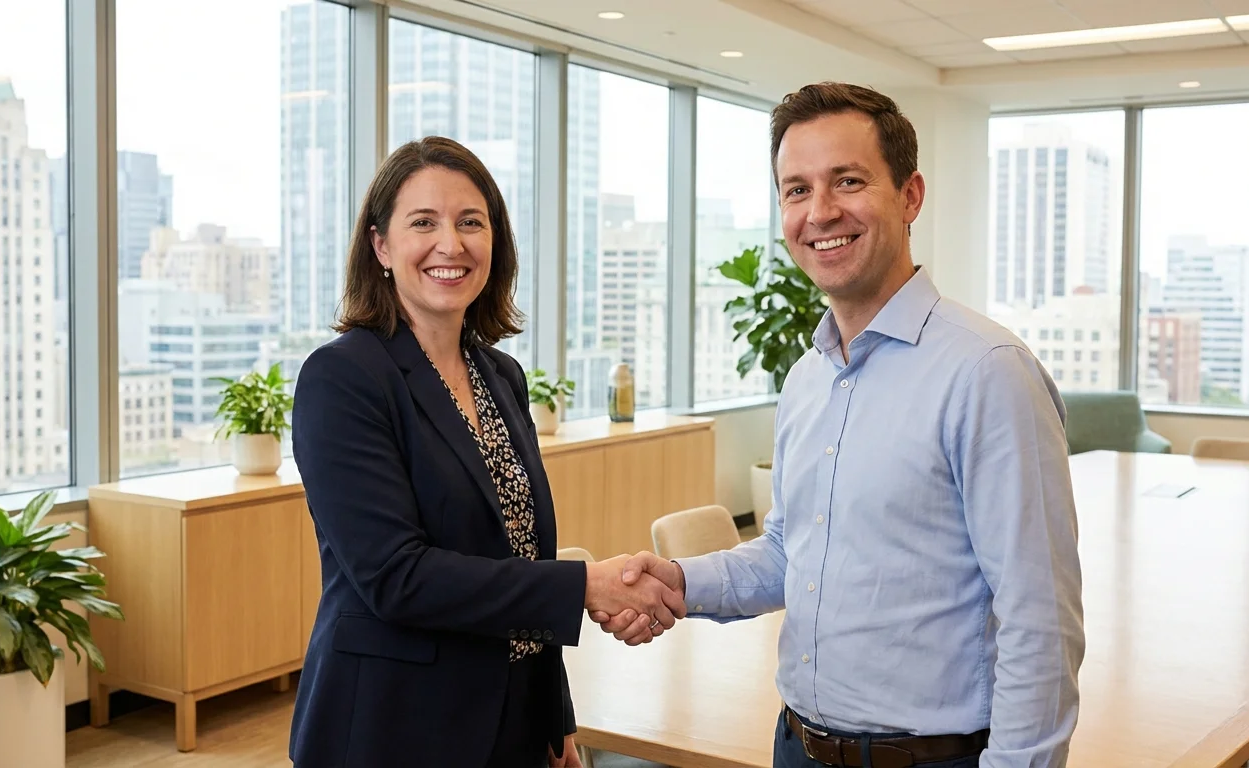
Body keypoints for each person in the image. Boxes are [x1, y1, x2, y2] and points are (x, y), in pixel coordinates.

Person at [592, 83, 1085, 768]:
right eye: (797, 190)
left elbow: (1041, 618)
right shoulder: (808, 378)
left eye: (848, 181)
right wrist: (678, 581)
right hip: (797, 746)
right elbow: (790, 553)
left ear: (910, 196)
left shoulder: (987, 372)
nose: (820, 212)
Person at [289, 136, 686, 768]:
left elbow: (524, 554)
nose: (451, 244)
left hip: (514, 719)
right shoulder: (343, 378)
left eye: (471, 222)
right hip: (395, 728)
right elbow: (397, 577)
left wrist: (556, 718)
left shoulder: (500, 375)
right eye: (424, 222)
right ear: (381, 246)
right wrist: (588, 586)